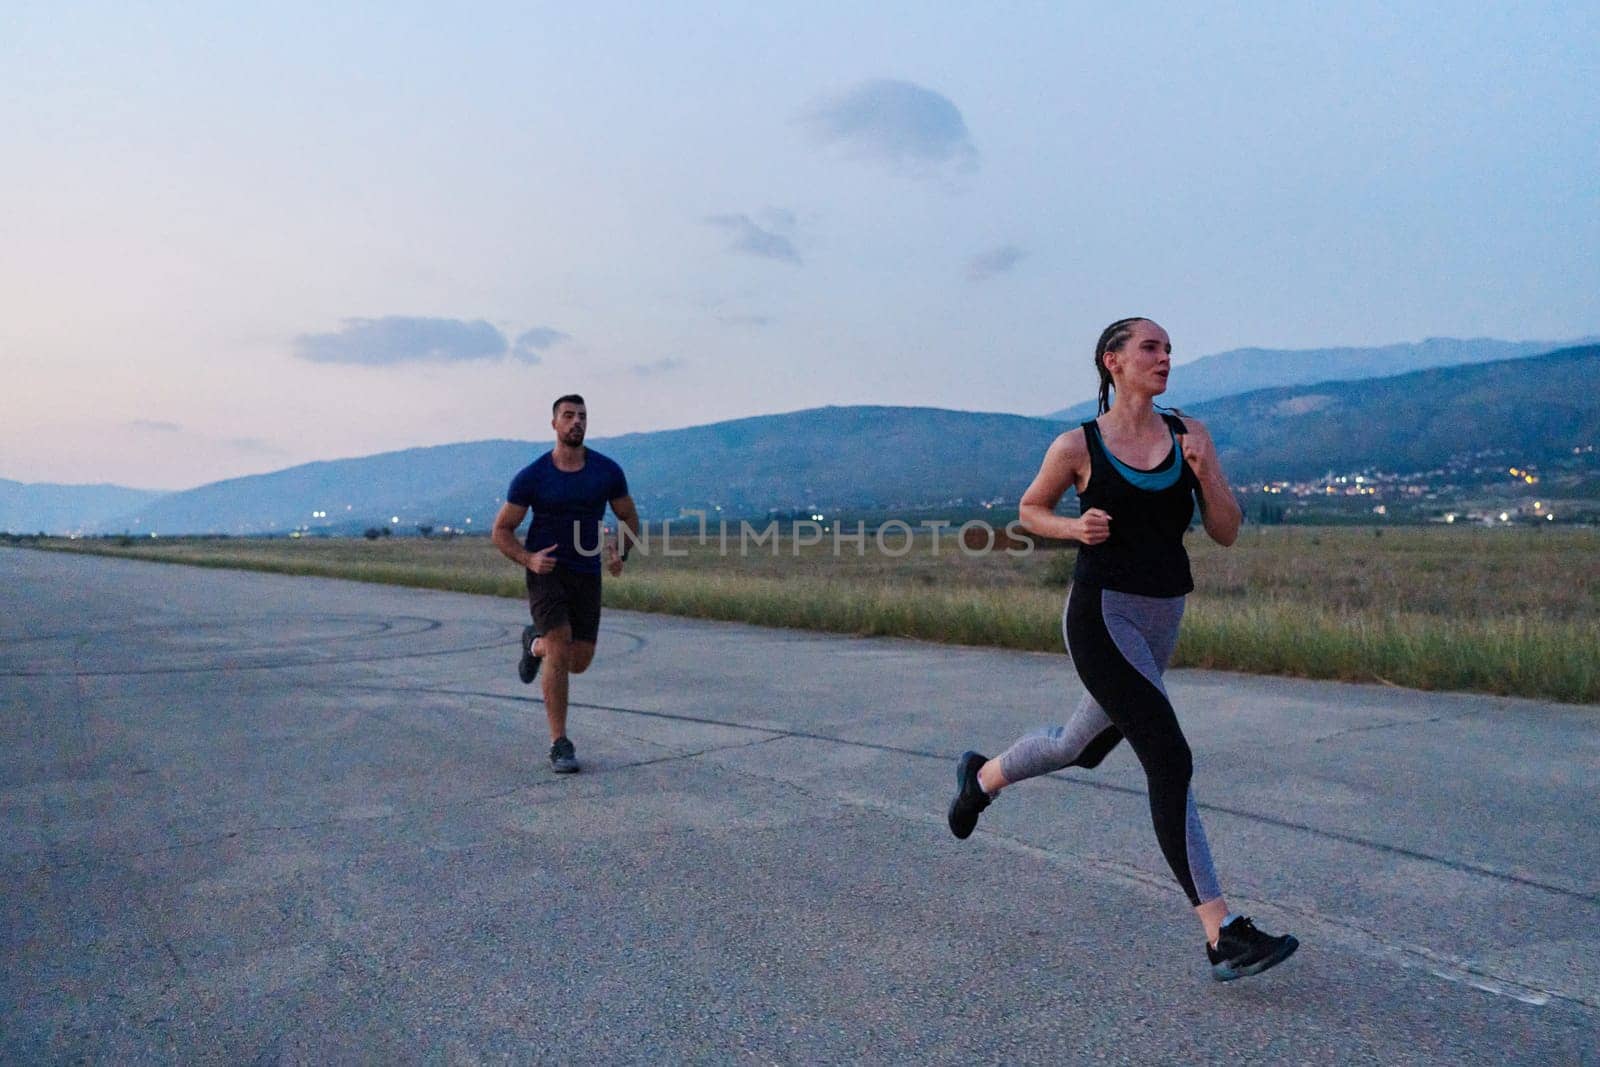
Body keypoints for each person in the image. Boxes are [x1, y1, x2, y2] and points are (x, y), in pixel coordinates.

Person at [946, 318, 1299, 982]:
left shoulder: (1188, 434)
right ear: (1114, 361)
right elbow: (1029, 510)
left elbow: (1224, 530)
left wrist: (1206, 471)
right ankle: (1221, 931)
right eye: (1150, 347)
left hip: (1163, 615)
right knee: (1169, 754)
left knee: (1078, 744)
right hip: (1103, 616)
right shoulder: (1078, 444)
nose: (1165, 357)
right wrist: (1072, 525)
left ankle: (981, 777)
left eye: (1169, 349)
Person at [492, 394, 640, 774]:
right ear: (554, 424)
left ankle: (534, 643)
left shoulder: (606, 472)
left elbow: (630, 520)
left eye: (582, 416)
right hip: (547, 571)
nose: (577, 422)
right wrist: (529, 558)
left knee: (579, 660)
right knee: (560, 645)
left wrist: (619, 555)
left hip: (586, 574)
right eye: (569, 416)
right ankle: (559, 742)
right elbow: (501, 530)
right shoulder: (533, 476)